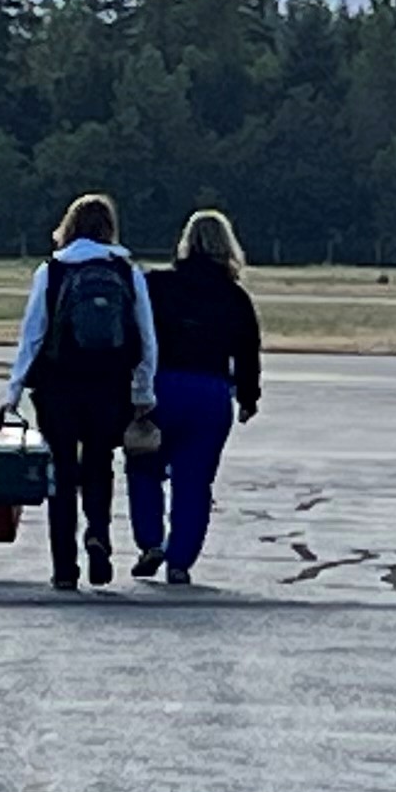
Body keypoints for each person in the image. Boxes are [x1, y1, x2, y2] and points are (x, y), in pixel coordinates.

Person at [10, 192, 158, 590]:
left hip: (58, 386)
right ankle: (98, 533)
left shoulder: (53, 271)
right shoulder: (127, 272)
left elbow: (32, 335)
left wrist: (12, 391)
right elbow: (146, 336)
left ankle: (64, 566)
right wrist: (143, 390)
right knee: (99, 464)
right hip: (110, 386)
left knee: (60, 470)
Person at [133, 208, 261, 586]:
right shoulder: (236, 298)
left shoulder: (157, 285)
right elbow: (248, 352)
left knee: (143, 467)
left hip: (161, 387)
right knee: (194, 481)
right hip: (210, 392)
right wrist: (249, 397)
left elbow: (138, 335)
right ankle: (180, 560)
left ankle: (150, 540)